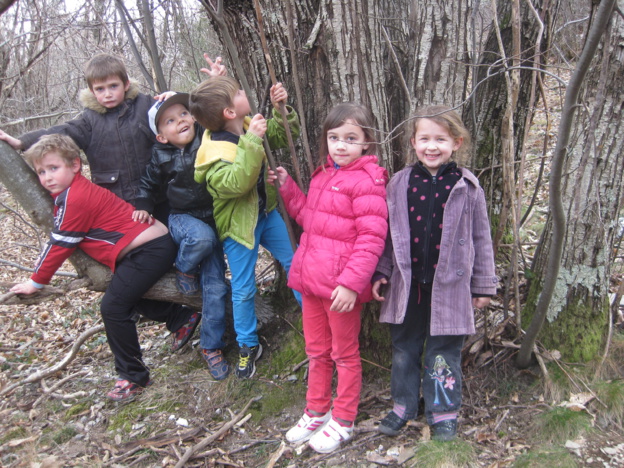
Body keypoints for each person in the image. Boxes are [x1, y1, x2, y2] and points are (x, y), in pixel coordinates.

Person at [9, 134, 200, 401]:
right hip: (146, 248)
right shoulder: (71, 193)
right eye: (41, 171)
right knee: (129, 296)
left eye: (54, 168)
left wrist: (36, 281)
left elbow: (59, 244)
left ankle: (133, 377)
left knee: (113, 307)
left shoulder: (75, 197)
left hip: (151, 248)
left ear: (75, 165)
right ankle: (181, 318)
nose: (47, 177)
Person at [372, 105, 497, 441]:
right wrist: (381, 272)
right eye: (424, 138)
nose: (432, 146)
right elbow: (388, 235)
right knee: (404, 348)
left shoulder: (468, 186)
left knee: (444, 351)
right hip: (406, 285)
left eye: (440, 139)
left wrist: (482, 285)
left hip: (451, 288)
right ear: (413, 142)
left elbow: (481, 239)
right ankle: (403, 406)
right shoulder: (399, 184)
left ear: (456, 143)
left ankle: (443, 411)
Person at [270, 103, 388, 454]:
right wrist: (289, 188)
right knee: (316, 350)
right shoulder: (323, 174)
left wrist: (352, 284)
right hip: (311, 283)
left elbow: (372, 239)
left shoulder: (367, 182)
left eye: (350, 138)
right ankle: (316, 409)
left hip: (340, 288)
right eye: (334, 137)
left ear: (366, 142)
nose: (340, 145)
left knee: (345, 353)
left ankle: (344, 417)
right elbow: (309, 218)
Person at [190, 76, 302, 380]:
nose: (245, 92)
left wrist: (281, 109)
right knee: (242, 289)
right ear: (229, 112)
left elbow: (279, 137)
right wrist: (251, 140)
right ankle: (248, 344)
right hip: (240, 228)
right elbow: (236, 184)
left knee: (297, 262)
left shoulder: (247, 123)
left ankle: (313, 317)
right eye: (238, 92)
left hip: (265, 215)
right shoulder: (212, 154)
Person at [132, 93, 229, 380]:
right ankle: (184, 268)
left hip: (214, 217)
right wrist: (142, 206)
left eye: (184, 114)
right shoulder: (160, 155)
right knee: (201, 239)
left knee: (216, 289)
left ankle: (211, 347)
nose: (181, 121)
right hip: (182, 218)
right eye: (170, 121)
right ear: (161, 136)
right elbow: (148, 183)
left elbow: (215, 113)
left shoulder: (206, 137)